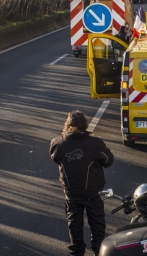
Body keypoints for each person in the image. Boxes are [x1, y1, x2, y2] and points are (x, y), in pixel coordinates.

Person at [49, 110, 114, 256]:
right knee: (97, 223)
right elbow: (108, 161)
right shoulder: (95, 144)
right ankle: (98, 250)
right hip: (92, 192)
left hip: (71, 193)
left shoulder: (58, 143)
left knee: (74, 224)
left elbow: (55, 158)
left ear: (67, 124)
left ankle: (77, 251)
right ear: (85, 125)